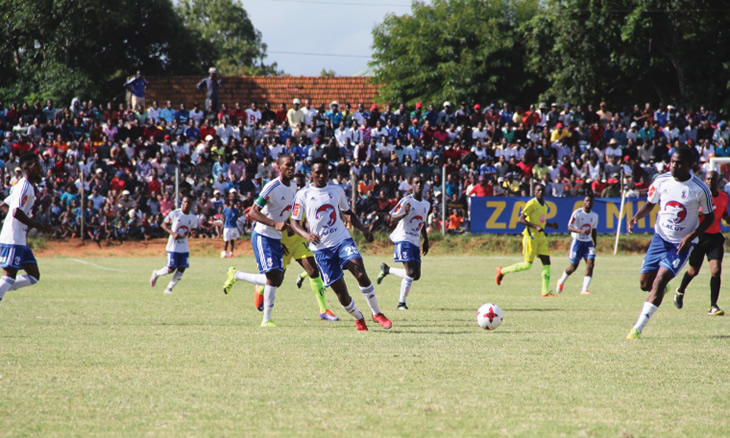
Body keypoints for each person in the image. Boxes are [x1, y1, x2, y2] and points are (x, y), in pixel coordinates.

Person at [290, 158, 392, 331]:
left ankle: (377, 313)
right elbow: (294, 222)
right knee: (341, 294)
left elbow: (347, 212)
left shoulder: (336, 190)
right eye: (318, 172)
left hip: (341, 239)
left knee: (360, 273)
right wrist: (307, 235)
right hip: (321, 249)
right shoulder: (303, 194)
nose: (322, 176)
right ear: (311, 174)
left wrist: (363, 229)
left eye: (325, 172)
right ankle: (359, 318)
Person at [626, 147, 713, 339]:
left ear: (690, 165)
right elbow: (650, 203)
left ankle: (637, 329)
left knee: (658, 282)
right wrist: (636, 217)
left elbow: (709, 217)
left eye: (679, 162)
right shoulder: (661, 180)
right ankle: (662, 289)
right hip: (660, 239)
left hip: (680, 246)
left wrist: (691, 236)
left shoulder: (700, 188)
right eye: (672, 161)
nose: (674, 165)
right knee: (644, 284)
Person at [222, 155, 297, 327]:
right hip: (263, 235)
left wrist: (284, 235)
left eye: (293, 165)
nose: (291, 168)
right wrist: (274, 224)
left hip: (276, 237)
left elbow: (285, 213)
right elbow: (253, 213)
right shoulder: (272, 187)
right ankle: (267, 320)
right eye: (288, 165)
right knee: (272, 277)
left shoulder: (293, 186)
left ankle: (237, 275)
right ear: (279, 167)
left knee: (277, 279)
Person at [261, 173, 339, 321]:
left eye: (301, 185)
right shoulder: (282, 199)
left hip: (299, 242)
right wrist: (277, 241)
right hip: (281, 243)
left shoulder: (306, 197)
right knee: (276, 280)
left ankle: (324, 310)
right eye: (296, 184)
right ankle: (258, 288)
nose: (298, 187)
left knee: (313, 270)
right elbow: (272, 219)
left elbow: (308, 220)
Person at [673, 170, 728, 316]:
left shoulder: (723, 197)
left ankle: (713, 305)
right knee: (693, 271)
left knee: (716, 270)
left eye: (713, 179)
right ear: (705, 181)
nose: (710, 181)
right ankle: (680, 290)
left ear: (718, 181)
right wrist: (702, 212)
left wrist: (728, 219)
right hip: (699, 236)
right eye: (708, 179)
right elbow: (692, 213)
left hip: (715, 238)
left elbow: (724, 214)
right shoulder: (700, 196)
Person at [0, 153, 52, 304]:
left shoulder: (26, 186)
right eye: (36, 165)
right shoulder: (23, 186)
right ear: (26, 168)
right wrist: (39, 225)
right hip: (13, 238)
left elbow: (5, 206)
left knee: (34, 275)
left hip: (20, 240)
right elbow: (16, 212)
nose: (39, 169)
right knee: (9, 276)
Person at [376, 175, 430, 310]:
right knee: (410, 272)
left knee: (416, 275)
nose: (419, 185)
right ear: (411, 185)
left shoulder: (426, 204)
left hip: (415, 241)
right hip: (403, 238)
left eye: (421, 183)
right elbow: (392, 218)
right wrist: (404, 214)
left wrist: (426, 240)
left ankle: (387, 270)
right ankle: (401, 303)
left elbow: (422, 223)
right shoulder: (406, 200)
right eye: (416, 183)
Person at [495, 183, 559, 297]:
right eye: (538, 190)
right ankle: (502, 270)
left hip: (541, 237)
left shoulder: (545, 205)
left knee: (547, 262)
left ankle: (545, 291)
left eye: (542, 190)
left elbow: (541, 221)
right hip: (531, 237)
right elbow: (521, 220)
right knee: (527, 265)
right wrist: (535, 227)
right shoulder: (531, 203)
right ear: (534, 192)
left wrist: (550, 225)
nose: (540, 192)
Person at [149, 196, 198, 295]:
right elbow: (164, 224)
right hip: (173, 246)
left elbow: (193, 229)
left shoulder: (193, 218)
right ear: (182, 203)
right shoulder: (175, 213)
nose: (186, 204)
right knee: (171, 269)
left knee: (182, 268)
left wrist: (194, 233)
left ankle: (169, 289)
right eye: (185, 202)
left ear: (191, 205)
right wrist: (172, 233)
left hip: (184, 247)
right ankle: (157, 273)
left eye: (189, 203)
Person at [556, 194, 598, 295]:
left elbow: (594, 229)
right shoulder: (577, 213)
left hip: (588, 243)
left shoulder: (595, 216)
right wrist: (580, 231)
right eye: (587, 201)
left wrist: (594, 240)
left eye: (590, 201)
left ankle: (584, 289)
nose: (588, 203)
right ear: (583, 202)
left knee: (591, 263)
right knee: (573, 267)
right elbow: (569, 227)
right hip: (577, 241)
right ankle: (561, 281)